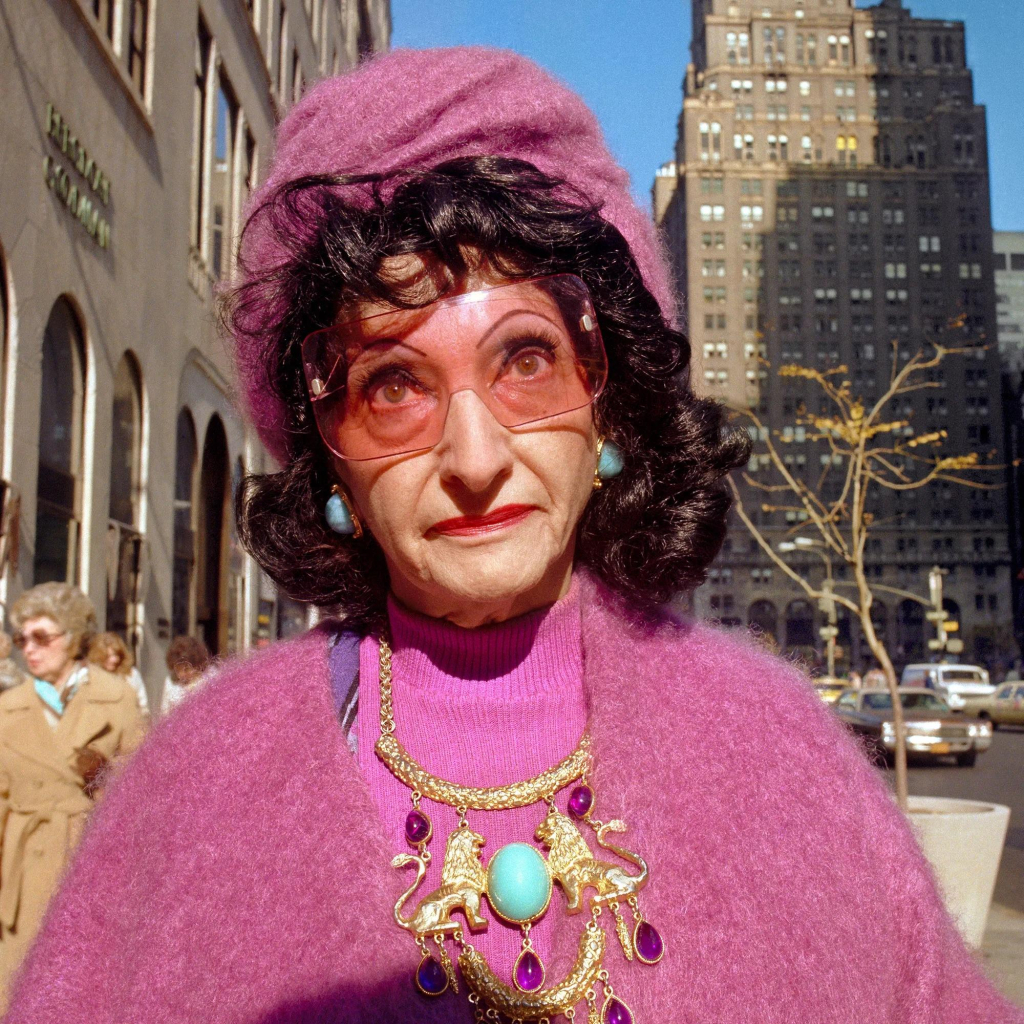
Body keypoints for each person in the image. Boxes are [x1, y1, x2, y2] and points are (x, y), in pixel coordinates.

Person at [5, 49, 1020, 1024]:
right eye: (393, 384)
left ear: (606, 404)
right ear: (333, 463)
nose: (475, 454)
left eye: (526, 358)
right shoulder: (192, 791)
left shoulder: (787, 757)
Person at [0, 583, 143, 1007]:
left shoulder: (115, 697)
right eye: (22, 638)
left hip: (88, 861)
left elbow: (142, 791)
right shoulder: (9, 709)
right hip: (24, 870)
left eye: (42, 637)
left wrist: (104, 776)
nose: (30, 648)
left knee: (83, 991)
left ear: (74, 637)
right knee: (19, 988)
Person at [85, 632, 150, 716]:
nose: (114, 660)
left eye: (116, 655)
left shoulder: (131, 674)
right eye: (108, 656)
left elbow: (143, 705)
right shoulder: (92, 677)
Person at [160, 635, 212, 716]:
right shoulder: (170, 682)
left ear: (197, 665)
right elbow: (164, 714)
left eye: (187, 669)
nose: (182, 674)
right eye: (178, 670)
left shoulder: (206, 682)